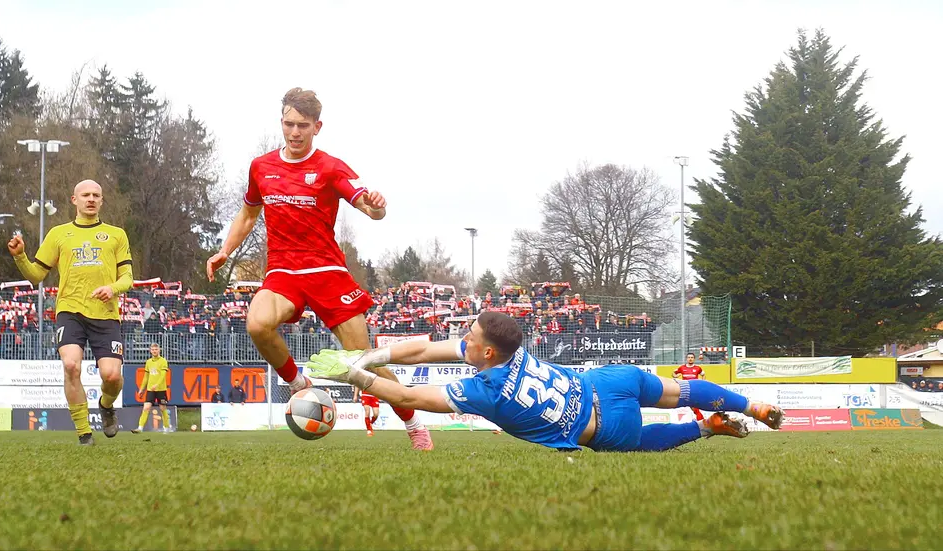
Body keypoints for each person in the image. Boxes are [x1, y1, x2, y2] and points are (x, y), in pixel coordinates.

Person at [206, 87, 432, 450]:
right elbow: (249, 214)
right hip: (283, 271)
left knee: (363, 363)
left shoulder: (330, 167)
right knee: (257, 323)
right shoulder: (261, 167)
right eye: (288, 124)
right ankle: (297, 384)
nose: (294, 132)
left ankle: (413, 421)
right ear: (281, 122)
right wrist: (224, 250)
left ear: (317, 127)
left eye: (302, 125)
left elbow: (369, 209)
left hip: (327, 271)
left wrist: (378, 207)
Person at [307, 312, 785, 452]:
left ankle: (707, 429)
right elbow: (424, 349)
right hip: (606, 382)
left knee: (644, 443)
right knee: (678, 391)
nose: (462, 340)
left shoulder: (484, 390)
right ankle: (753, 407)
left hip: (601, 425)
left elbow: (410, 395)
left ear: (485, 352)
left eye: (469, 336)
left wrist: (355, 375)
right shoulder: (511, 348)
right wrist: (373, 355)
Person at [8, 179, 132, 446]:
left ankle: (106, 406)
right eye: (85, 195)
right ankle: (84, 433)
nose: (91, 199)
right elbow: (36, 275)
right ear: (73, 200)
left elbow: (128, 278)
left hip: (106, 314)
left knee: (111, 376)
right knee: (71, 365)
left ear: (102, 200)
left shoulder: (116, 234)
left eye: (96, 195)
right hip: (70, 311)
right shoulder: (58, 234)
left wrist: (112, 288)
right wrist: (20, 257)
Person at [132, 343, 171, 433]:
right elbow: (146, 377)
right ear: (150, 351)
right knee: (146, 407)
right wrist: (142, 389)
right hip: (150, 389)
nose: (154, 351)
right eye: (153, 349)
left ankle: (166, 428)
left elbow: (163, 375)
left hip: (161, 389)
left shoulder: (163, 361)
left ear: (159, 350)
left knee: (162, 408)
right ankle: (140, 428)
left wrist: (157, 384)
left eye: (156, 349)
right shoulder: (148, 362)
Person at [673, 352, 706, 421]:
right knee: (692, 407)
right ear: (686, 359)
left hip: (695, 390)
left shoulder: (698, 368)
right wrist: (676, 376)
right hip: (685, 390)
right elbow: (673, 374)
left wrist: (702, 383)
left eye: (692, 357)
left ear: (694, 359)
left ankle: (701, 421)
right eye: (689, 357)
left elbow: (703, 374)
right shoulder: (682, 368)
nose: (690, 359)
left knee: (695, 407)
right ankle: (700, 421)